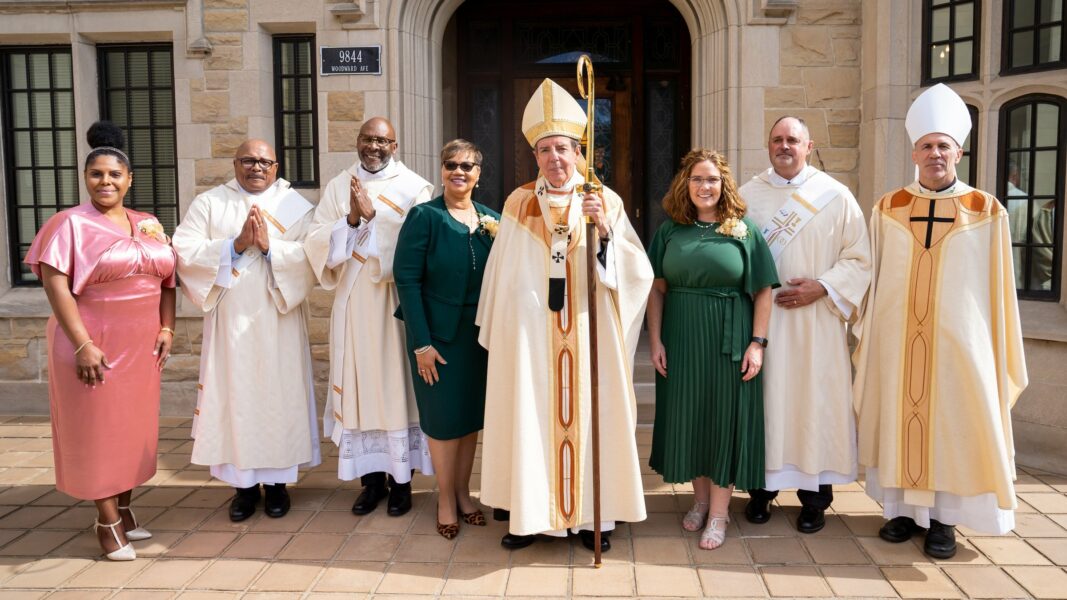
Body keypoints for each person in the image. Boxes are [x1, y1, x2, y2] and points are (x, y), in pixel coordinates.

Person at [476, 78, 654, 553]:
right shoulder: (518, 202)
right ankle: (529, 514)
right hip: (532, 335)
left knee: (593, 415)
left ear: (580, 152)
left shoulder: (604, 199)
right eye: (546, 149)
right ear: (535, 155)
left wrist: (603, 229)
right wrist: (512, 321)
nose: (556, 158)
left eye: (564, 148)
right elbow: (503, 273)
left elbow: (635, 272)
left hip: (588, 327)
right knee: (528, 414)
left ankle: (594, 517)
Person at [853, 83, 1028, 559]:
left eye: (943, 146)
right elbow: (873, 273)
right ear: (914, 152)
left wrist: (991, 344)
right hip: (898, 341)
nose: (935, 154)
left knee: (953, 426)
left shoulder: (986, 210)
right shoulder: (889, 207)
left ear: (959, 152)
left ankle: (944, 523)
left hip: (959, 347)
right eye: (927, 146)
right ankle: (905, 513)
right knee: (900, 419)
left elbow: (998, 288)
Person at [25, 121, 177, 560]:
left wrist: (167, 327)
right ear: (85, 179)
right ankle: (107, 523)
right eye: (97, 174)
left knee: (132, 431)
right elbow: (55, 285)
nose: (105, 181)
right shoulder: (68, 224)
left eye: (114, 175)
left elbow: (168, 279)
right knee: (98, 433)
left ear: (130, 180)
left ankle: (125, 509)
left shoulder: (147, 222)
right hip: (94, 342)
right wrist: (82, 343)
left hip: (142, 347)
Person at [172, 139, 319, 522]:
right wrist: (235, 245)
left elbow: (311, 257)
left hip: (278, 319)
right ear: (235, 164)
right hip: (231, 322)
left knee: (277, 398)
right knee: (236, 397)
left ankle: (277, 488)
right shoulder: (210, 203)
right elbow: (183, 250)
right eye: (248, 160)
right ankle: (243, 490)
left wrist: (272, 248)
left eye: (264, 161)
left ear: (276, 165)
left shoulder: (295, 206)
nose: (256, 167)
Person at [738, 117, 871, 533]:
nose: (784, 146)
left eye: (792, 140)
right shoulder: (747, 196)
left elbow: (860, 258)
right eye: (776, 139)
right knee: (767, 403)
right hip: (765, 326)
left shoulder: (835, 195)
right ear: (767, 145)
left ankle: (815, 499)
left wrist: (823, 287)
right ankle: (761, 490)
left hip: (817, 325)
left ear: (808, 145)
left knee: (816, 404)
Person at [647, 149, 779, 550]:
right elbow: (656, 289)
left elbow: (762, 292)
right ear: (684, 186)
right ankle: (700, 501)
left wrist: (757, 344)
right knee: (691, 419)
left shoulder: (743, 230)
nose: (705, 187)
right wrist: (655, 340)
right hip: (683, 337)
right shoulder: (669, 232)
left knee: (724, 420)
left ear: (724, 187)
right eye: (697, 180)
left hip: (730, 338)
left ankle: (720, 513)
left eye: (712, 180)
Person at [304, 117, 434, 517]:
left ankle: (401, 483)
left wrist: (377, 218)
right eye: (367, 139)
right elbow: (315, 239)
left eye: (382, 140)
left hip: (394, 301)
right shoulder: (337, 185)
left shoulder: (415, 187)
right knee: (359, 385)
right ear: (357, 142)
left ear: (395, 144)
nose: (373, 146)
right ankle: (370, 481)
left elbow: (420, 242)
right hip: (354, 300)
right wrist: (352, 220)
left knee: (394, 386)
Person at [393, 139, 501, 539]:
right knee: (441, 422)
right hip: (436, 339)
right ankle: (444, 498)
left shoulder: (493, 218)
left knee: (469, 419)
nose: (459, 171)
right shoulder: (425, 216)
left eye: (467, 166)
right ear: (442, 170)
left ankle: (463, 492)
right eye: (451, 164)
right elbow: (406, 279)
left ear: (478, 173)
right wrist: (421, 343)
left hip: (479, 338)